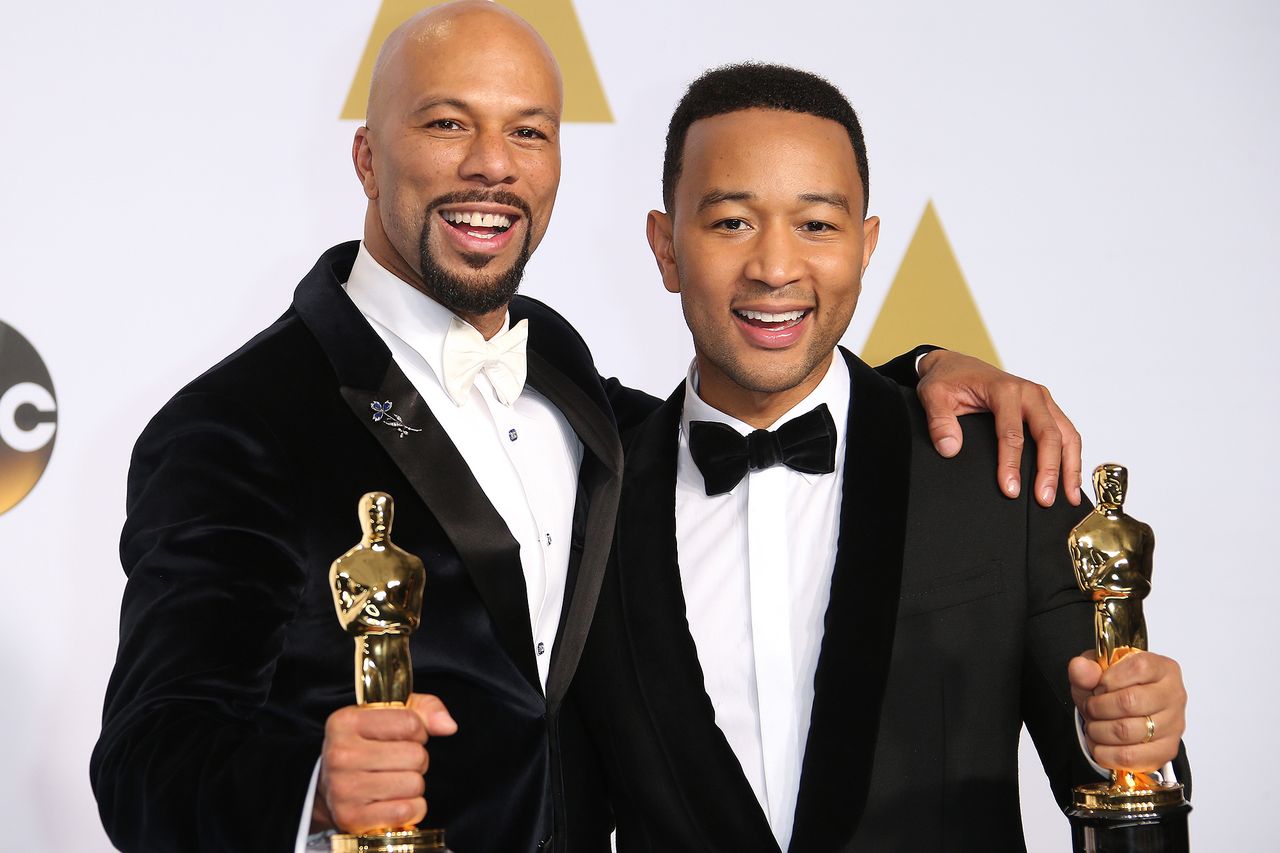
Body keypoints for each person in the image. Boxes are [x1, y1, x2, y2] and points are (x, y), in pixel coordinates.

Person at [90, 5, 1087, 853]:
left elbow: (766, 392)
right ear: (364, 154)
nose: (492, 166)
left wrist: (918, 374)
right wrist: (310, 786)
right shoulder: (234, 427)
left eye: (528, 132)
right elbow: (148, 756)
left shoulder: (580, 398)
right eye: (446, 123)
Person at [568, 63, 1189, 852]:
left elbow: (1108, 766)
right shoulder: (587, 498)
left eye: (817, 225)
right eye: (731, 222)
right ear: (665, 248)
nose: (774, 266)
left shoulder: (998, 471)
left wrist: (1140, 738)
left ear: (866, 248)